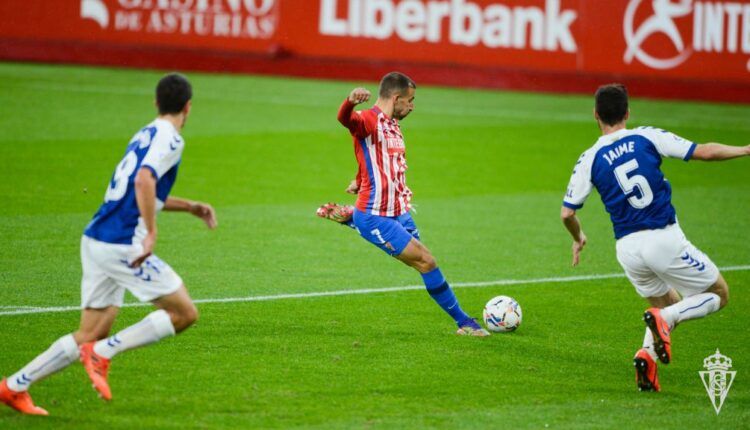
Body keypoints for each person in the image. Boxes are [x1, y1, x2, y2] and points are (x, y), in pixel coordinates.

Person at [0, 73, 217, 415]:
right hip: (121, 245)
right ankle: (104, 353)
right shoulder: (171, 140)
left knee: (91, 331)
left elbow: (141, 187)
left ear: (156, 103)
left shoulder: (145, 132)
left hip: (96, 238)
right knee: (183, 312)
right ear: (188, 107)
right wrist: (151, 231)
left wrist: (189, 206)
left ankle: (14, 386)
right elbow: (144, 180)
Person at [560, 83, 749, 392]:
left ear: (595, 115)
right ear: (627, 112)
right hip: (663, 239)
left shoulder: (589, 158)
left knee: (667, 304)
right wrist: (744, 150)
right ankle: (666, 320)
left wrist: (578, 237)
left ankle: (646, 359)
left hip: (627, 251)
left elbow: (567, 213)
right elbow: (704, 152)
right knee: (718, 294)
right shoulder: (646, 136)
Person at [335, 72, 489, 337]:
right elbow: (345, 120)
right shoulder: (369, 120)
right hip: (375, 214)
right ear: (396, 98)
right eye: (410, 100)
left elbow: (374, 158)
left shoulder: (393, 126)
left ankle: (352, 220)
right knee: (426, 262)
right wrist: (350, 101)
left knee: (421, 256)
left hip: (398, 211)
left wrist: (359, 179)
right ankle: (465, 323)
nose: (412, 106)